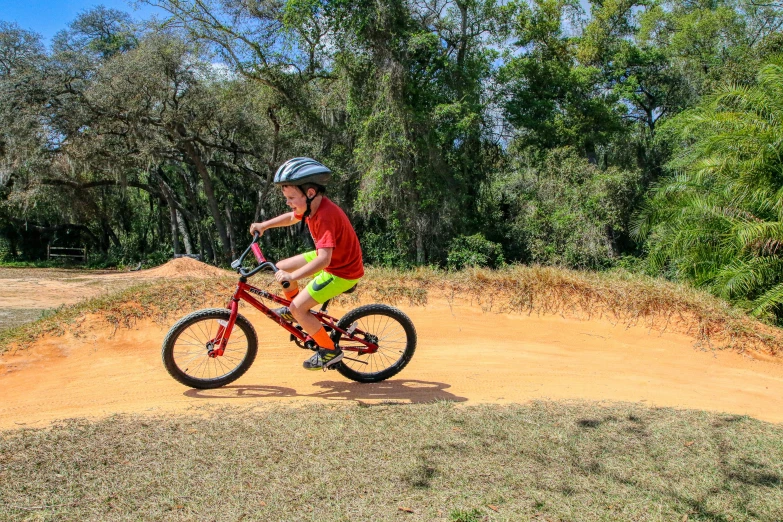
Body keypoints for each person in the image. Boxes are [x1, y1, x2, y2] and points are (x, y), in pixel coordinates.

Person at [249, 157, 364, 370]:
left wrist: (293, 278)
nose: (288, 202)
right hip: (335, 259)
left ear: (310, 193)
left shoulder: (325, 216)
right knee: (282, 266)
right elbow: (292, 217)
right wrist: (264, 225)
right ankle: (297, 312)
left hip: (342, 271)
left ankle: (329, 350)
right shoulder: (312, 207)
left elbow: (324, 259)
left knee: (298, 307)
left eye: (291, 197)